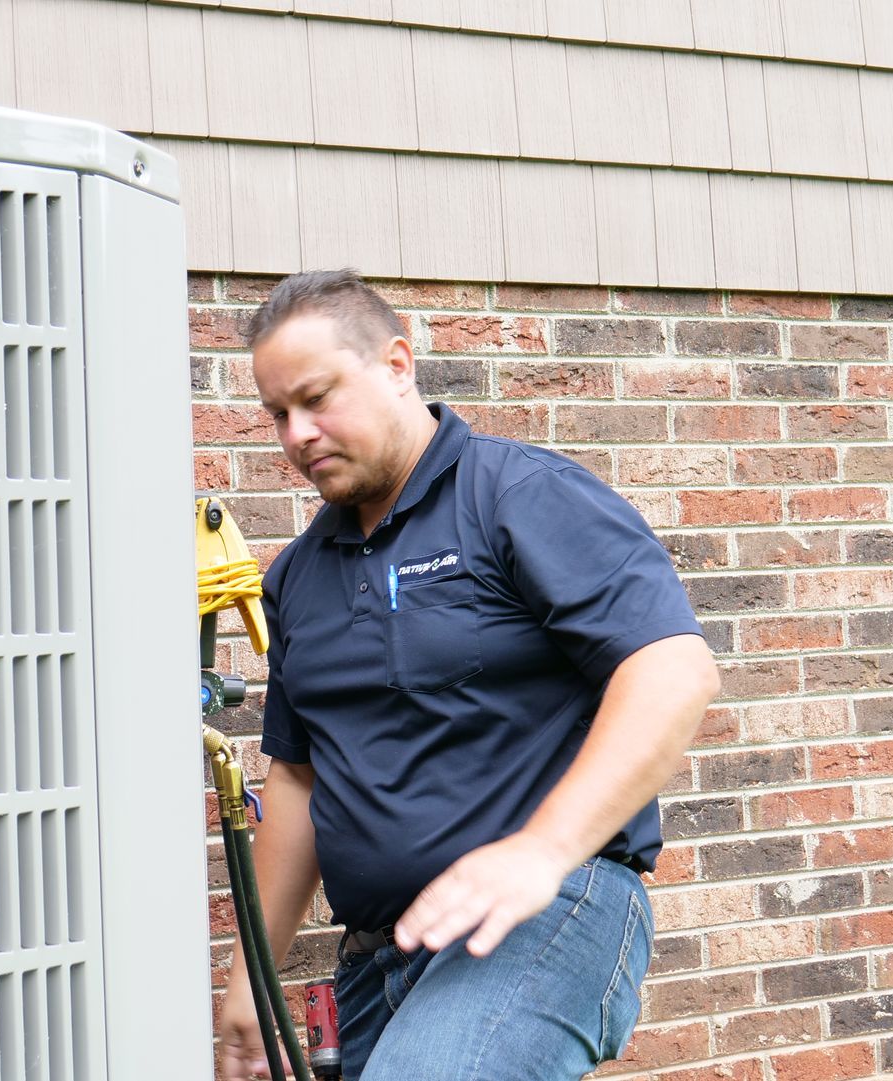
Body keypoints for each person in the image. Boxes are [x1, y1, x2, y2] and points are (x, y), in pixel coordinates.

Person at [216, 270, 720, 1081]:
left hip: (548, 907)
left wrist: (539, 849)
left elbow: (672, 668)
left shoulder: (519, 497)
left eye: (317, 398)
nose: (298, 433)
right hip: (382, 958)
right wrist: (250, 977)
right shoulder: (298, 577)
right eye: (279, 413)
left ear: (397, 365)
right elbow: (301, 781)